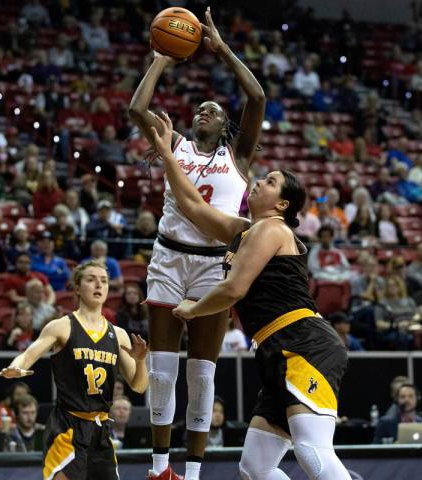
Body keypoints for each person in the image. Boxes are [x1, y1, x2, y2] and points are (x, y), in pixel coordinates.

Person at [148, 112, 350, 480]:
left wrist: (193, 309)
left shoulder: (273, 229)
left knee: (312, 452)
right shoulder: (245, 231)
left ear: (282, 204)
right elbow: (193, 207)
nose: (258, 181)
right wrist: (167, 154)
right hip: (274, 350)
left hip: (303, 344)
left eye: (270, 182)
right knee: (255, 468)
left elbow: (232, 290)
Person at [130, 11, 266, 476]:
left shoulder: (238, 156)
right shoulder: (175, 144)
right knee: (164, 370)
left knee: (202, 373)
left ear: (226, 125)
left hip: (214, 265)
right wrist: (162, 60)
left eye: (213, 110)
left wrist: (222, 49)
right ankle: (158, 468)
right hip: (169, 257)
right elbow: (136, 108)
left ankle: (193, 474)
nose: (202, 111)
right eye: (199, 109)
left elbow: (257, 96)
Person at [0, 260, 149, 480]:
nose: (98, 285)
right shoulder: (61, 326)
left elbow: (139, 386)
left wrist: (141, 361)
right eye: (91, 279)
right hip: (67, 427)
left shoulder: (118, 334)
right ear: (77, 288)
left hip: (101, 429)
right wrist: (16, 367)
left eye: (104, 281)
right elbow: (29, 354)